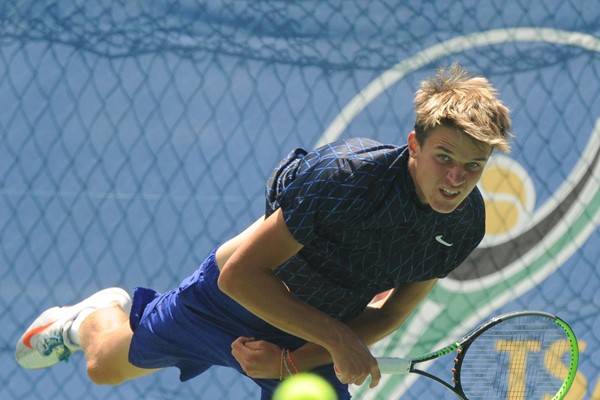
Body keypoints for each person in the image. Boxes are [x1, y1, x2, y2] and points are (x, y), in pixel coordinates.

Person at [16, 64, 512, 399]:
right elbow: (240, 276)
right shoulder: (346, 177)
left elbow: (393, 310)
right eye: (443, 158)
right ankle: (92, 316)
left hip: (311, 329)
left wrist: (297, 361)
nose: (455, 178)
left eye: (472, 166)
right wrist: (338, 340)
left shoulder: (464, 224)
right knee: (104, 367)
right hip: (230, 299)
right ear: (414, 146)